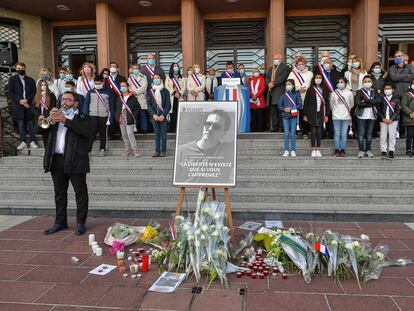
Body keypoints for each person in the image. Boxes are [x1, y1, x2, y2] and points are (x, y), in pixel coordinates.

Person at [42, 91, 91, 235]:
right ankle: (60, 222)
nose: (64, 102)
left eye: (68, 100)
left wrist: (66, 121)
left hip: (76, 159)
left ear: (75, 103)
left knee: (80, 192)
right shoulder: (54, 117)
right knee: (59, 193)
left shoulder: (83, 118)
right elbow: (41, 129)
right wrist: (46, 116)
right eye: (63, 99)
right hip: (56, 159)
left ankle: (81, 223)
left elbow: (87, 133)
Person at [175, 109, 235, 184]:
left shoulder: (227, 150)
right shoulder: (182, 151)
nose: (210, 129)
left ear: (224, 133)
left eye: (216, 126)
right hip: (188, 193)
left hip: (215, 193)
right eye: (208, 124)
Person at [8, 62, 38, 150]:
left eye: (21, 68)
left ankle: (33, 142)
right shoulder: (12, 80)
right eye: (18, 68)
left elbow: (33, 92)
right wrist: (20, 100)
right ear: (16, 69)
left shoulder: (31, 80)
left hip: (29, 105)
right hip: (18, 105)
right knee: (21, 125)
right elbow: (11, 92)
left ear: (25, 68)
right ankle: (22, 142)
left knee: (31, 124)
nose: (20, 70)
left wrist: (26, 100)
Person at [84, 75, 115, 156]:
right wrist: (86, 115)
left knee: (103, 133)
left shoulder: (108, 92)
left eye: (99, 83)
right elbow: (86, 104)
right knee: (91, 133)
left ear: (103, 82)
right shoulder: (90, 92)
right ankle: (88, 150)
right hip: (92, 115)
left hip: (104, 116)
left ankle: (102, 149)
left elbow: (112, 106)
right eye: (96, 83)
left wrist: (110, 118)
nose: (97, 84)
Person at [303, 74, 330, 157]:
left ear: (322, 79)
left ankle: (318, 149)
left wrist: (327, 114)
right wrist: (305, 114)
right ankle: (313, 149)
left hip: (321, 112)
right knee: (313, 131)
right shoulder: (310, 89)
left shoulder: (325, 89)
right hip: (312, 113)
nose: (318, 79)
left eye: (320, 78)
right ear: (314, 79)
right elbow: (306, 102)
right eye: (316, 78)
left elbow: (327, 103)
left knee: (319, 131)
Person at [354, 75, 380, 158]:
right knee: (361, 134)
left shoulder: (374, 91)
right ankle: (361, 150)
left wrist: (366, 101)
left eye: (369, 81)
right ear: (362, 83)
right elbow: (358, 103)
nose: (367, 83)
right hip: (361, 115)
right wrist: (371, 102)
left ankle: (368, 150)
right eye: (365, 81)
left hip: (372, 115)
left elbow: (378, 101)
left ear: (372, 83)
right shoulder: (359, 92)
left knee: (369, 134)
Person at [288, 56, 313, 138]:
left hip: (306, 97)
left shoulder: (310, 74)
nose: (301, 66)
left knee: (304, 115)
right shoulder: (292, 74)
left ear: (305, 64)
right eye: (299, 64)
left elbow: (311, 84)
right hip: (295, 98)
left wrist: (305, 88)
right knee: (294, 114)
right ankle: (294, 132)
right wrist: (298, 89)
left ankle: (305, 132)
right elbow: (289, 84)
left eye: (302, 64)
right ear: (296, 65)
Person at [266, 53, 292, 132]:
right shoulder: (270, 69)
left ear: (281, 59)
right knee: (273, 112)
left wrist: (273, 83)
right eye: (274, 59)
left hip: (279, 92)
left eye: (276, 59)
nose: (275, 61)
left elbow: (283, 78)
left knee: (280, 111)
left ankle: (281, 127)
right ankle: (274, 127)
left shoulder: (285, 67)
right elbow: (266, 78)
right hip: (271, 93)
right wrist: (268, 84)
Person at [115, 81, 141, 157]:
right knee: (124, 135)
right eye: (121, 86)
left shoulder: (132, 97)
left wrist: (133, 114)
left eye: (124, 86)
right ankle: (127, 150)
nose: (123, 87)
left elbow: (138, 107)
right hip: (121, 117)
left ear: (127, 87)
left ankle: (135, 151)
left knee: (130, 134)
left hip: (129, 116)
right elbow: (117, 108)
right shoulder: (119, 98)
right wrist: (117, 116)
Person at [330, 77, 354, 157]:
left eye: (342, 82)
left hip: (346, 116)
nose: (340, 83)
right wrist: (335, 111)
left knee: (343, 134)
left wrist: (346, 111)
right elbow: (331, 104)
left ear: (345, 83)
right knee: (337, 134)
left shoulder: (349, 93)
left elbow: (351, 104)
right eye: (338, 82)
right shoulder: (334, 93)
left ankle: (343, 150)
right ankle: (337, 149)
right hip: (336, 116)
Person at [148, 74, 171, 157]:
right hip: (154, 116)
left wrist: (163, 115)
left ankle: (163, 151)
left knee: (163, 134)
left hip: (163, 116)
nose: (156, 79)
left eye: (158, 78)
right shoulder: (150, 91)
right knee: (157, 134)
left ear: (161, 79)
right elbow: (149, 105)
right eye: (154, 78)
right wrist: (153, 114)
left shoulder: (165, 91)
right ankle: (157, 151)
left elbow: (168, 105)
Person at [279, 79, 302, 157]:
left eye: (289, 84)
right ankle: (286, 150)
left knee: (292, 134)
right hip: (285, 116)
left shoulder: (297, 93)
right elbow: (279, 105)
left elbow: (300, 105)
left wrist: (291, 108)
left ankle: (293, 150)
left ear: (293, 85)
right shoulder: (283, 94)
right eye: (286, 84)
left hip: (293, 116)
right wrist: (284, 109)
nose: (287, 86)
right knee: (286, 134)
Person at [378, 82, 401, 159]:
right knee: (383, 136)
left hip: (392, 121)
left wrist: (391, 119)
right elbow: (379, 110)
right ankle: (383, 151)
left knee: (392, 136)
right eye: (385, 89)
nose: (387, 90)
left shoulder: (396, 99)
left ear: (393, 90)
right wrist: (382, 118)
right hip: (383, 120)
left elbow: (398, 111)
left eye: (389, 88)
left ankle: (391, 151)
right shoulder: (381, 98)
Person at [33, 80, 57, 147]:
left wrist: (48, 116)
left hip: (49, 118)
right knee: (44, 136)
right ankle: (46, 151)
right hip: (41, 119)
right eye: (41, 85)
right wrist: (39, 115)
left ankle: (50, 152)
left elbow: (54, 106)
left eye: (44, 85)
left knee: (50, 136)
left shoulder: (51, 95)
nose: (43, 86)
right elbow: (33, 108)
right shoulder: (36, 96)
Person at [128, 64, 149, 134]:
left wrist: (135, 92)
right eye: (134, 69)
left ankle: (144, 129)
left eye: (136, 68)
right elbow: (128, 87)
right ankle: (136, 128)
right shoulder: (130, 78)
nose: (135, 70)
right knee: (134, 114)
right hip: (132, 98)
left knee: (142, 114)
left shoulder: (143, 77)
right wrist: (131, 92)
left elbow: (144, 87)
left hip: (141, 97)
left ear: (139, 69)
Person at [165, 63, 186, 132]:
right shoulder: (168, 78)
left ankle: (180, 129)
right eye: (174, 66)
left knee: (180, 114)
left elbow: (184, 87)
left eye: (177, 66)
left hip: (180, 97)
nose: (176, 67)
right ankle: (172, 129)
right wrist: (174, 93)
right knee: (173, 114)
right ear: (172, 68)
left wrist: (179, 93)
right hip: (172, 98)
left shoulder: (182, 77)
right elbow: (167, 87)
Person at [249, 68, 266, 132]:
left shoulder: (261, 79)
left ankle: (260, 130)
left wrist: (256, 95)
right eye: (254, 72)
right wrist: (252, 95)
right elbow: (249, 89)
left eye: (257, 71)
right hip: (252, 100)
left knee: (260, 116)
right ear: (252, 73)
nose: (255, 73)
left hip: (260, 100)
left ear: (259, 72)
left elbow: (262, 88)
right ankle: (254, 129)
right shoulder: (250, 80)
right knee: (253, 116)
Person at [401, 80, 414, 157]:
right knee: (410, 135)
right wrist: (410, 113)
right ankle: (408, 150)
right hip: (409, 119)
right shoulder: (406, 94)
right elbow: (403, 105)